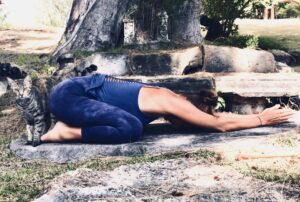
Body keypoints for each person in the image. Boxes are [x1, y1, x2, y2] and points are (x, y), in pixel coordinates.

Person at [41, 73, 294, 144]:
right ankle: (63, 132)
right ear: (187, 107)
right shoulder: (171, 101)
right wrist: (261, 119)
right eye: (192, 120)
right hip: (69, 96)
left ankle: (72, 125)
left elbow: (217, 117)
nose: (189, 125)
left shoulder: (170, 98)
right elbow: (219, 124)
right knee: (131, 127)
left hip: (78, 95)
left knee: (128, 122)